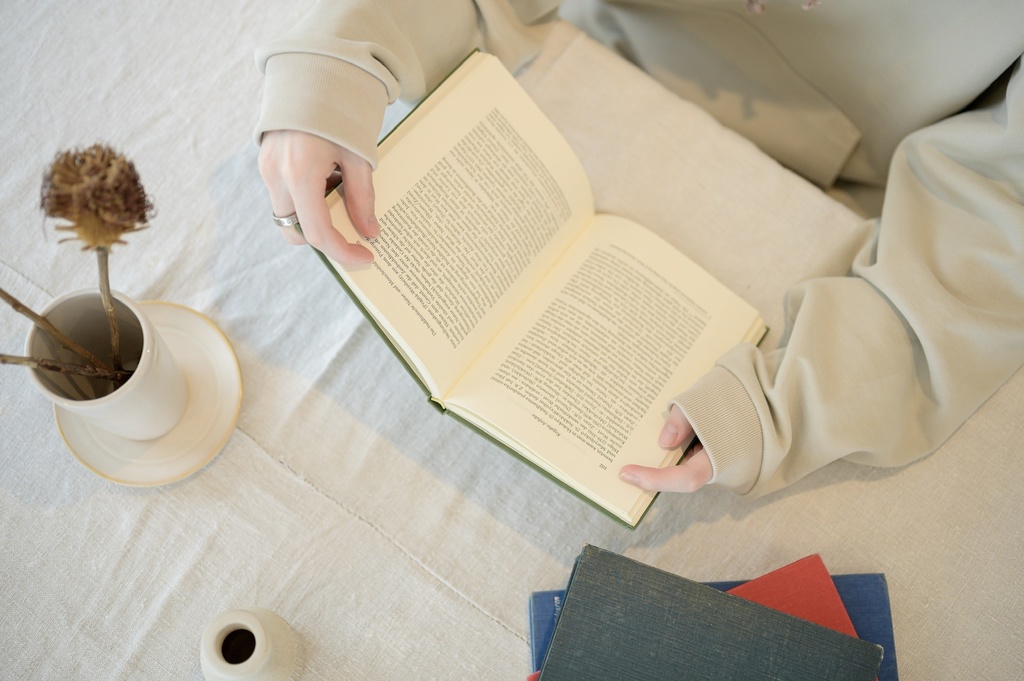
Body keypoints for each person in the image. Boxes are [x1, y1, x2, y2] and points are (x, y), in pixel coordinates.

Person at [255, 0, 1024, 499]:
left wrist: (789, 403)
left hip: (834, 210)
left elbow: (998, 223)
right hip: (572, 53)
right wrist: (345, 54)